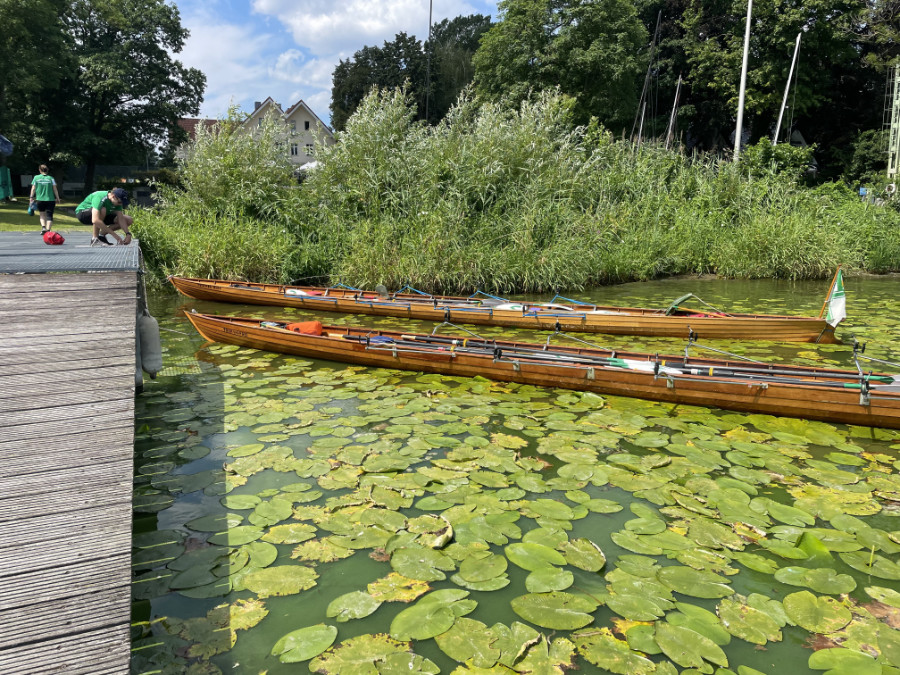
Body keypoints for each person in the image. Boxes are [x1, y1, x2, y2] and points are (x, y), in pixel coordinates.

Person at [29, 165, 61, 234]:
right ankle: (48, 230)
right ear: (47, 170)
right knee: (49, 215)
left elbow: (33, 188)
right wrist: (57, 198)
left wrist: (31, 197)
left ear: (40, 170)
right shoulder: (51, 178)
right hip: (50, 199)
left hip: (40, 199)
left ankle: (43, 228)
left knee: (42, 214)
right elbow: (55, 189)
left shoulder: (36, 178)